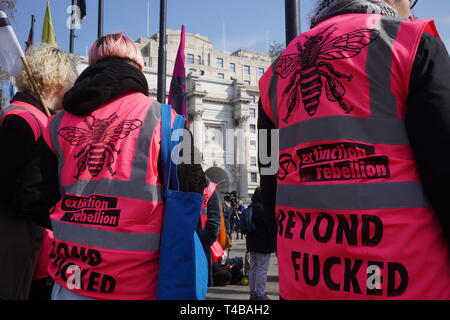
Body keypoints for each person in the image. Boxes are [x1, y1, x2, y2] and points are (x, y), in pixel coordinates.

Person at [258, 0, 450, 299]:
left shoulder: (275, 73)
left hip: (303, 281)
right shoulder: (408, 41)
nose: (411, 8)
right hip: (407, 281)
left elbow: (268, 174)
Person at [19, 33, 191, 300]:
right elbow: (194, 196)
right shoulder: (167, 119)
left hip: (70, 280)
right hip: (138, 285)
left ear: (91, 65)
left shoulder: (55, 124)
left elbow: (32, 195)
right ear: (139, 68)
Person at [0, 45, 77, 300]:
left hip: (31, 242)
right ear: (57, 79)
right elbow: (16, 190)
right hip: (14, 240)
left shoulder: (36, 117)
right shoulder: (21, 119)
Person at [245, 187, 275, 300]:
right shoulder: (264, 210)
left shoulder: (250, 208)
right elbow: (270, 228)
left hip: (251, 243)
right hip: (263, 244)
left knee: (253, 268)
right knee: (262, 269)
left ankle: (252, 293)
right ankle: (261, 293)